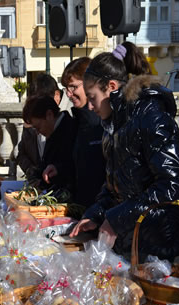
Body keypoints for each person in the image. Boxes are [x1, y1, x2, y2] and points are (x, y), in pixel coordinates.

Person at [70, 51, 179, 263]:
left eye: (92, 97)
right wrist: (95, 214)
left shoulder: (151, 114)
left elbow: (171, 186)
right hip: (130, 243)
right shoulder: (113, 122)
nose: (90, 106)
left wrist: (116, 220)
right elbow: (115, 185)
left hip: (158, 245)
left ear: (112, 87)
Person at [61, 57, 106, 208]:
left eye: (73, 87)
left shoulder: (101, 121)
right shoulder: (78, 120)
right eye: (67, 88)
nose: (69, 94)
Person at [16, 73, 71, 187]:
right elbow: (22, 152)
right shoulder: (46, 126)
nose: (36, 132)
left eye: (37, 127)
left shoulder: (69, 128)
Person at [22, 94, 76, 193]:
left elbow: (72, 167)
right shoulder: (53, 131)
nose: (38, 133)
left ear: (49, 115)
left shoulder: (69, 131)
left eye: (38, 127)